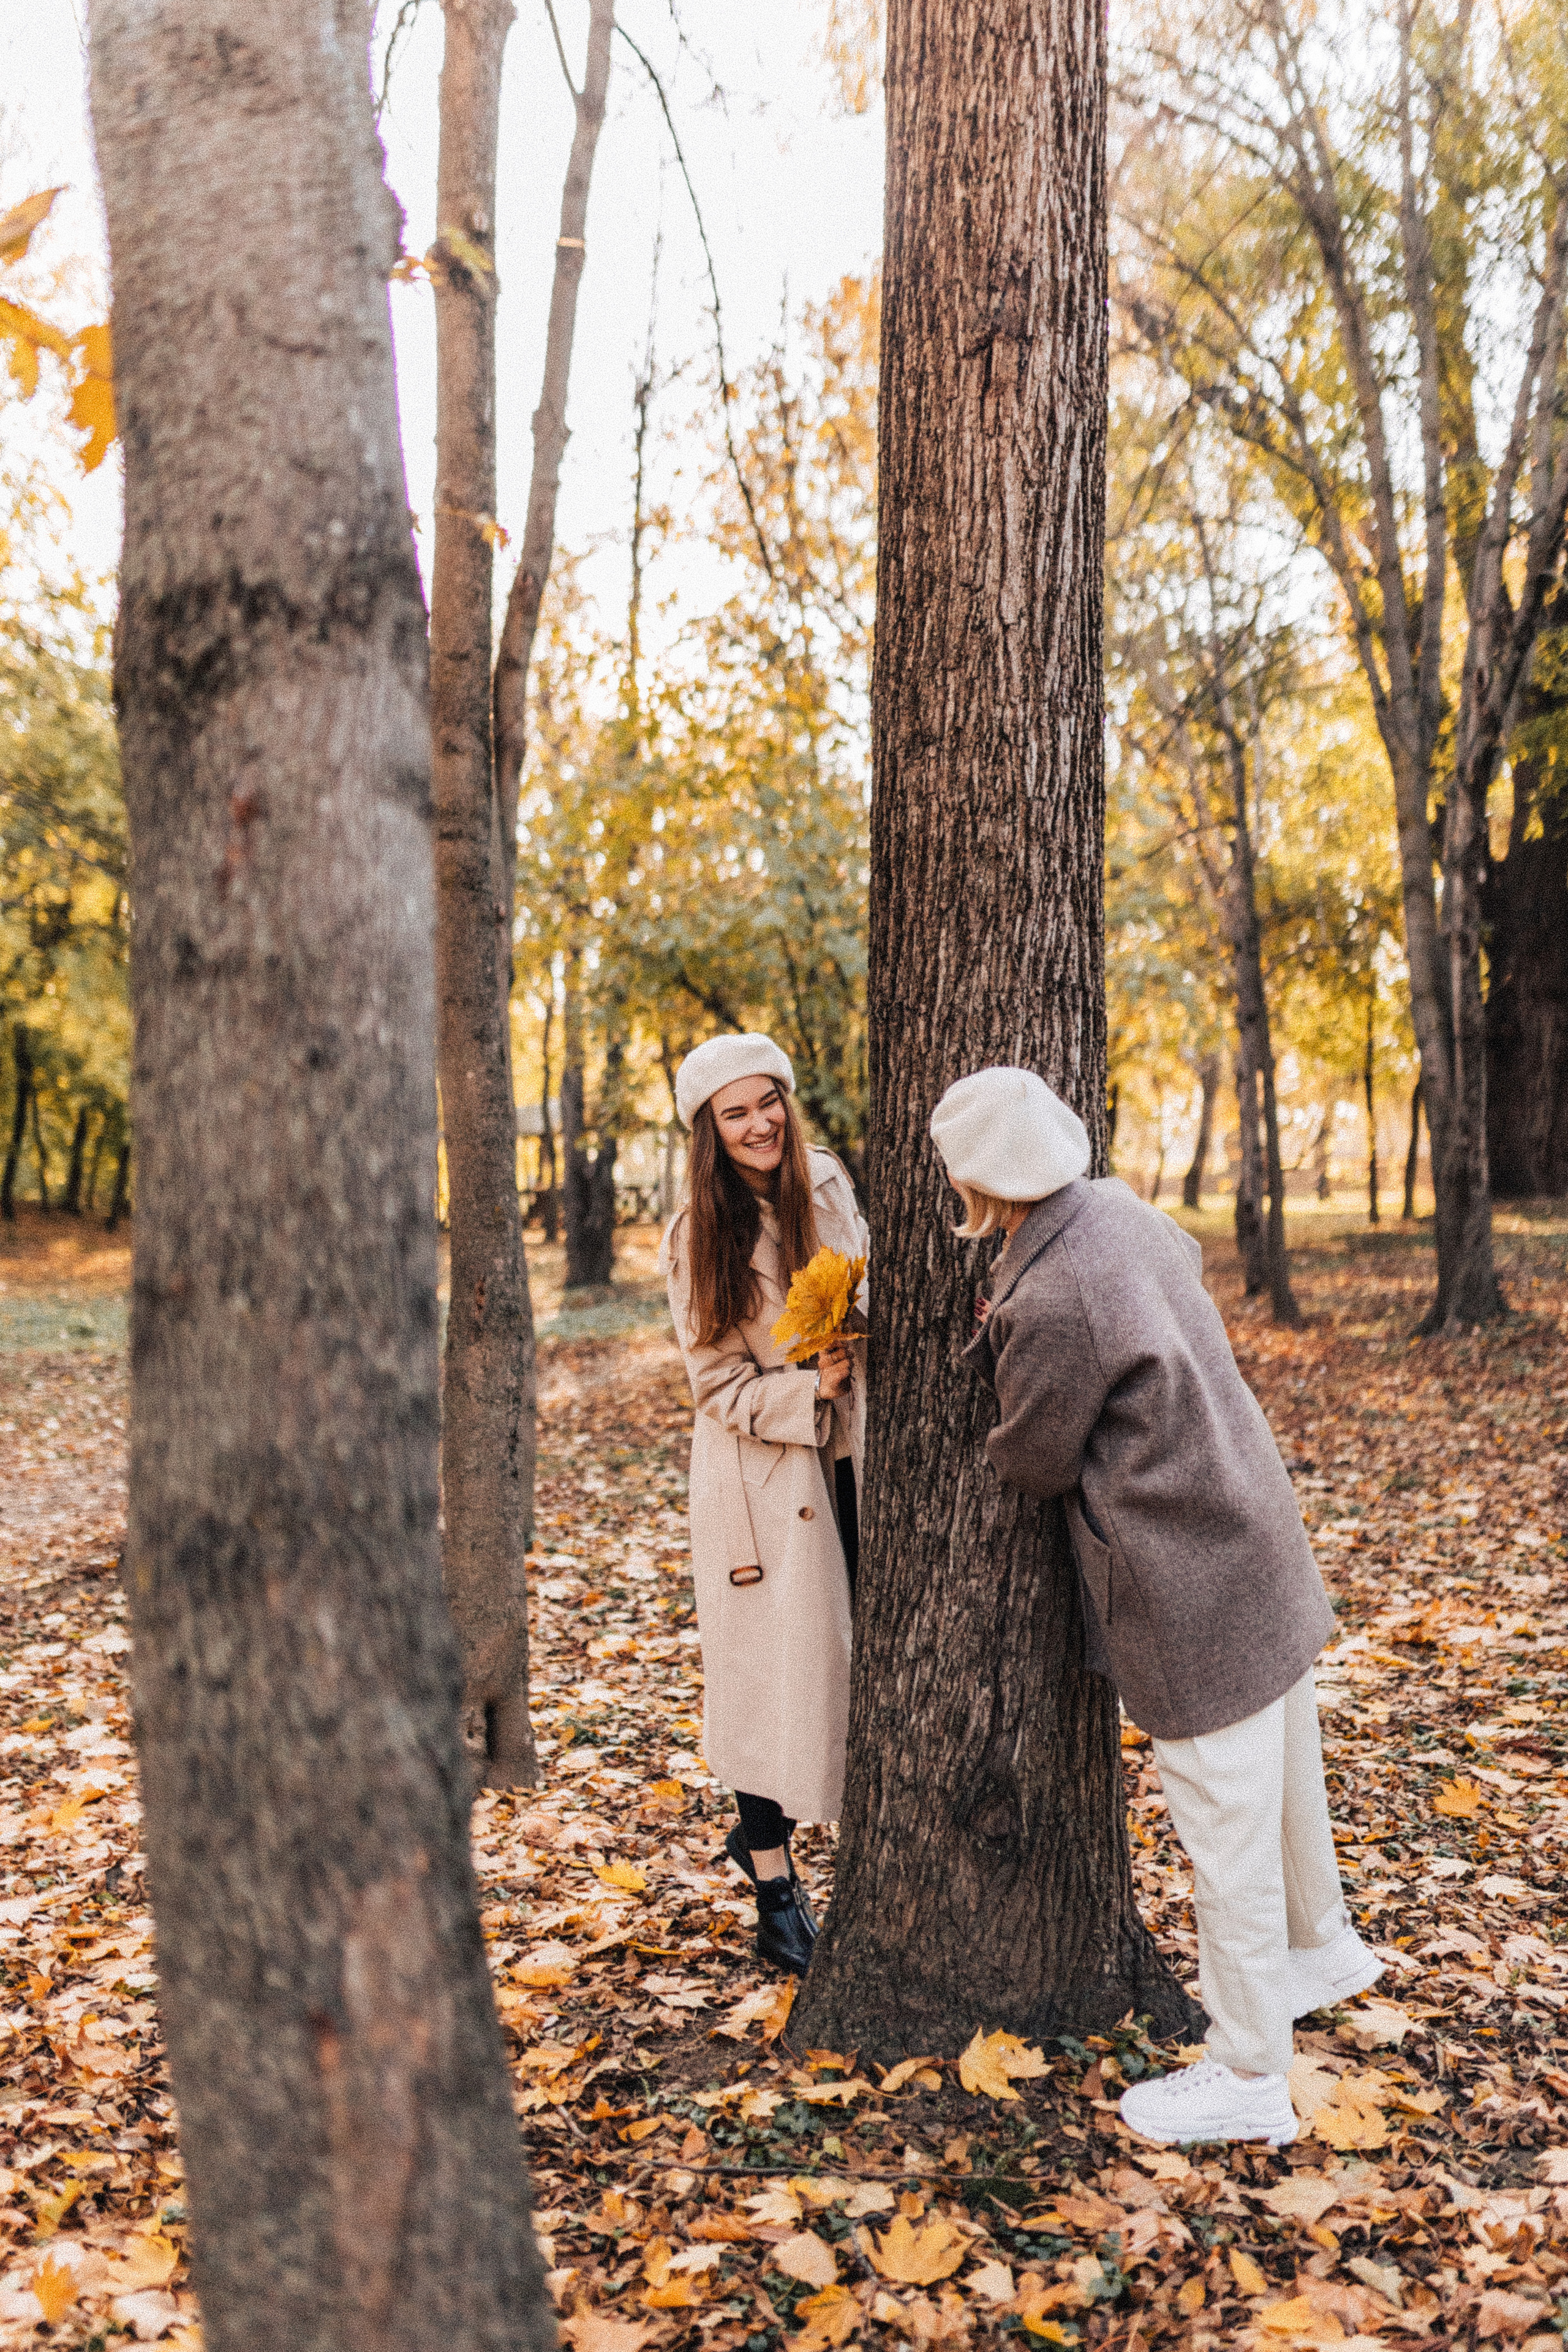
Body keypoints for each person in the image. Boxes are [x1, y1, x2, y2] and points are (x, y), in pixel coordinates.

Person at [929, 1065, 1380, 2148]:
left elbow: (1033, 1459)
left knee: (1223, 1828)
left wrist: (990, 1348)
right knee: (1283, 1785)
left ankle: (1247, 2074)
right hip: (1252, 1537)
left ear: (977, 1180)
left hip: (1188, 1580)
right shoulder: (1125, 1212)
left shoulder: (1046, 1298)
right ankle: (1320, 1948)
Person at [660, 1033, 867, 1972]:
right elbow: (716, 1389)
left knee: (860, 1654)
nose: (759, 1124)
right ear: (708, 1131)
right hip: (759, 1472)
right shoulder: (695, 1235)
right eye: (735, 1113)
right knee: (764, 1679)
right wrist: (806, 1392)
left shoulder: (823, 1183)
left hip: (855, 1455)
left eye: (768, 1102)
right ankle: (777, 1892)